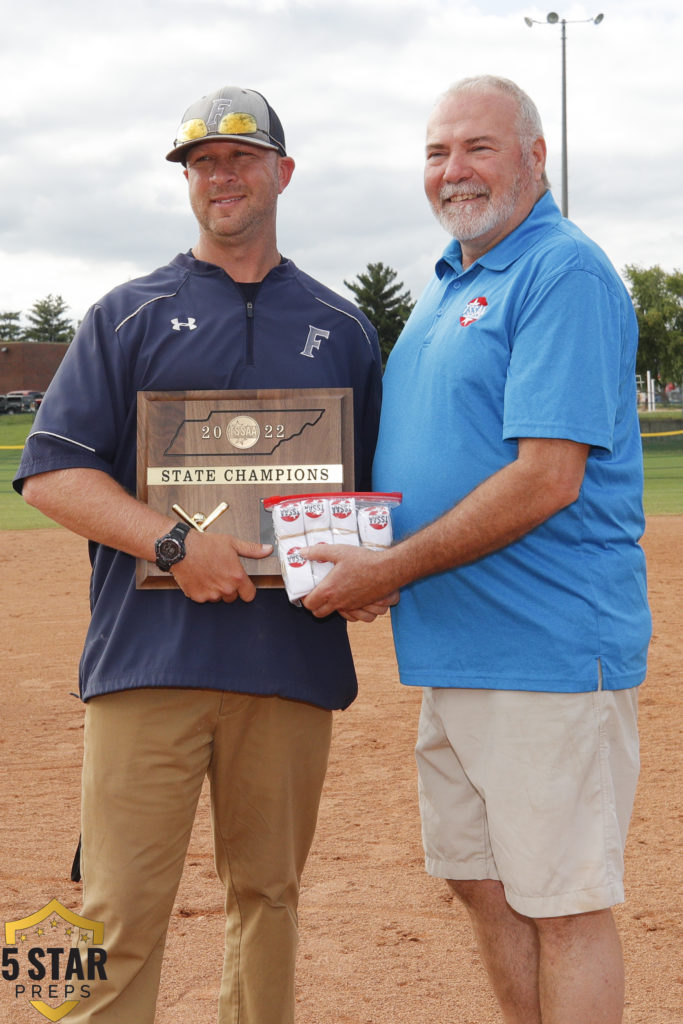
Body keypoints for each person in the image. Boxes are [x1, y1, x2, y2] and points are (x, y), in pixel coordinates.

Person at [15, 86, 383, 1024]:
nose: (220, 177)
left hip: (288, 662)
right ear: (188, 184)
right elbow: (51, 474)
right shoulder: (127, 314)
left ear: (281, 173)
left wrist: (374, 561)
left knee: (268, 901)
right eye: (201, 164)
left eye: (240, 158)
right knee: (113, 910)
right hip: (147, 662)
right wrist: (174, 542)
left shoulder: (343, 328)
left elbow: (372, 489)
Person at [302, 76, 650, 1024]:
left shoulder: (558, 271)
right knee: (482, 884)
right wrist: (359, 545)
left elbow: (547, 476)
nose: (453, 170)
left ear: (536, 158)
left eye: (478, 148)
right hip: (457, 645)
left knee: (563, 902)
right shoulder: (449, 280)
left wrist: (390, 569)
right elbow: (433, 450)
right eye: (435, 152)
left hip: (544, 648)